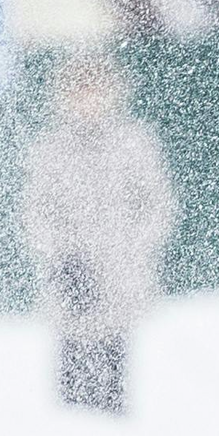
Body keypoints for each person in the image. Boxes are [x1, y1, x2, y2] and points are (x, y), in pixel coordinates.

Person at [17, 47, 176, 414]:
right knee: (71, 370)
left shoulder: (134, 144)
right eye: (78, 91)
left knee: (113, 367)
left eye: (94, 89)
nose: (87, 100)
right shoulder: (50, 150)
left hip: (120, 280)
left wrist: (129, 249)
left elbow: (156, 205)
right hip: (71, 279)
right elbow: (37, 211)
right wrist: (64, 255)